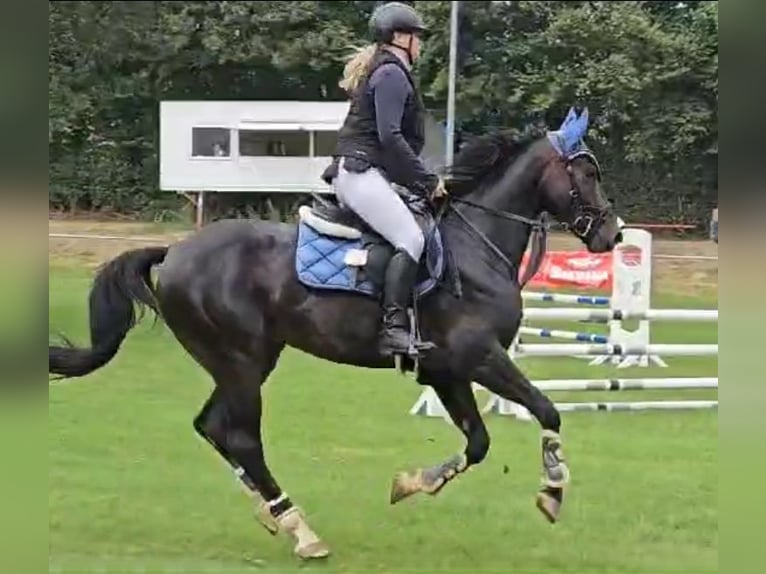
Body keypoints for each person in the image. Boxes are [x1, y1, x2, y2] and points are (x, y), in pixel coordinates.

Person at [323, 2, 446, 359]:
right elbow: (391, 138)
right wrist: (426, 180)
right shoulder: (391, 74)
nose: (420, 44)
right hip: (361, 173)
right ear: (399, 37)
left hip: (367, 172)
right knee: (410, 237)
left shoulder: (388, 70)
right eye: (417, 37)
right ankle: (393, 329)